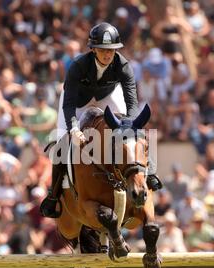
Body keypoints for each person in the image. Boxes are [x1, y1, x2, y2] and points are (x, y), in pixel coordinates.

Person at [40, 22, 162, 218]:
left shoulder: (123, 65)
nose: (108, 54)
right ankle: (53, 196)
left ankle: (151, 174)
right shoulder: (78, 66)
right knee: (61, 142)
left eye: (112, 50)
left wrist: (129, 125)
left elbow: (132, 100)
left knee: (135, 134)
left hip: (108, 97)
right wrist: (74, 129)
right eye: (103, 50)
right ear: (94, 49)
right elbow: (69, 102)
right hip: (77, 102)